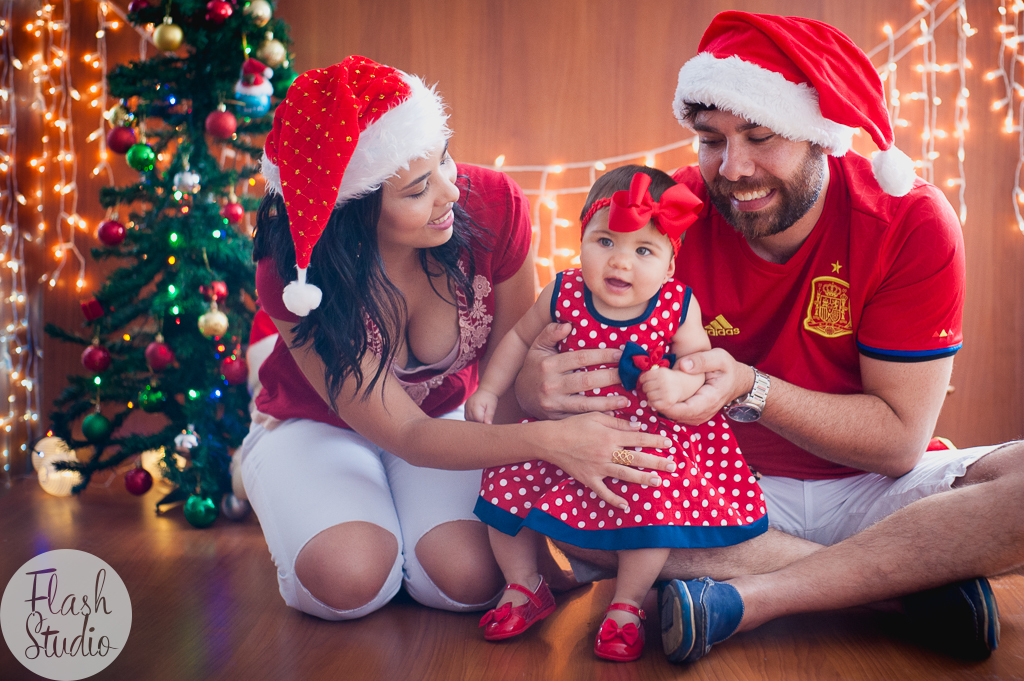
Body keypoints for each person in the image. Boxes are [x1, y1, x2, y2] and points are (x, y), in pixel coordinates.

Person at [515, 12, 1022, 664]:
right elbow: (573, 352)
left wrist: (750, 387)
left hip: (873, 491)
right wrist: (538, 380)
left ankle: (754, 598)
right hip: (719, 490)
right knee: (568, 497)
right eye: (710, 139)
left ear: (821, 137)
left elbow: (899, 444)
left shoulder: (909, 221)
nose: (734, 167)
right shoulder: (671, 218)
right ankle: (898, 590)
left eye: (760, 135)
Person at [239, 55, 676, 622]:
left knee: (470, 581)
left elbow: (512, 379)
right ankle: (279, 477)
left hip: (452, 422)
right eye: (419, 189)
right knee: (348, 581)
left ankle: (394, 532)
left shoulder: (494, 205)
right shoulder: (294, 266)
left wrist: (544, 457)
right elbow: (405, 431)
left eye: (444, 157)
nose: (451, 191)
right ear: (352, 211)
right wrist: (554, 443)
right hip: (315, 424)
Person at [468, 167, 768, 661]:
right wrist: (490, 388)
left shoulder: (677, 306)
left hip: (642, 436)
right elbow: (518, 340)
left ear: (670, 265)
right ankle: (523, 586)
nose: (620, 262)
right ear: (581, 239)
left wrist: (677, 380)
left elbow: (698, 363)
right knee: (504, 474)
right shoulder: (562, 293)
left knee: (652, 504)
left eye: (643, 251)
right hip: (560, 431)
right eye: (604, 241)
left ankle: (626, 606)